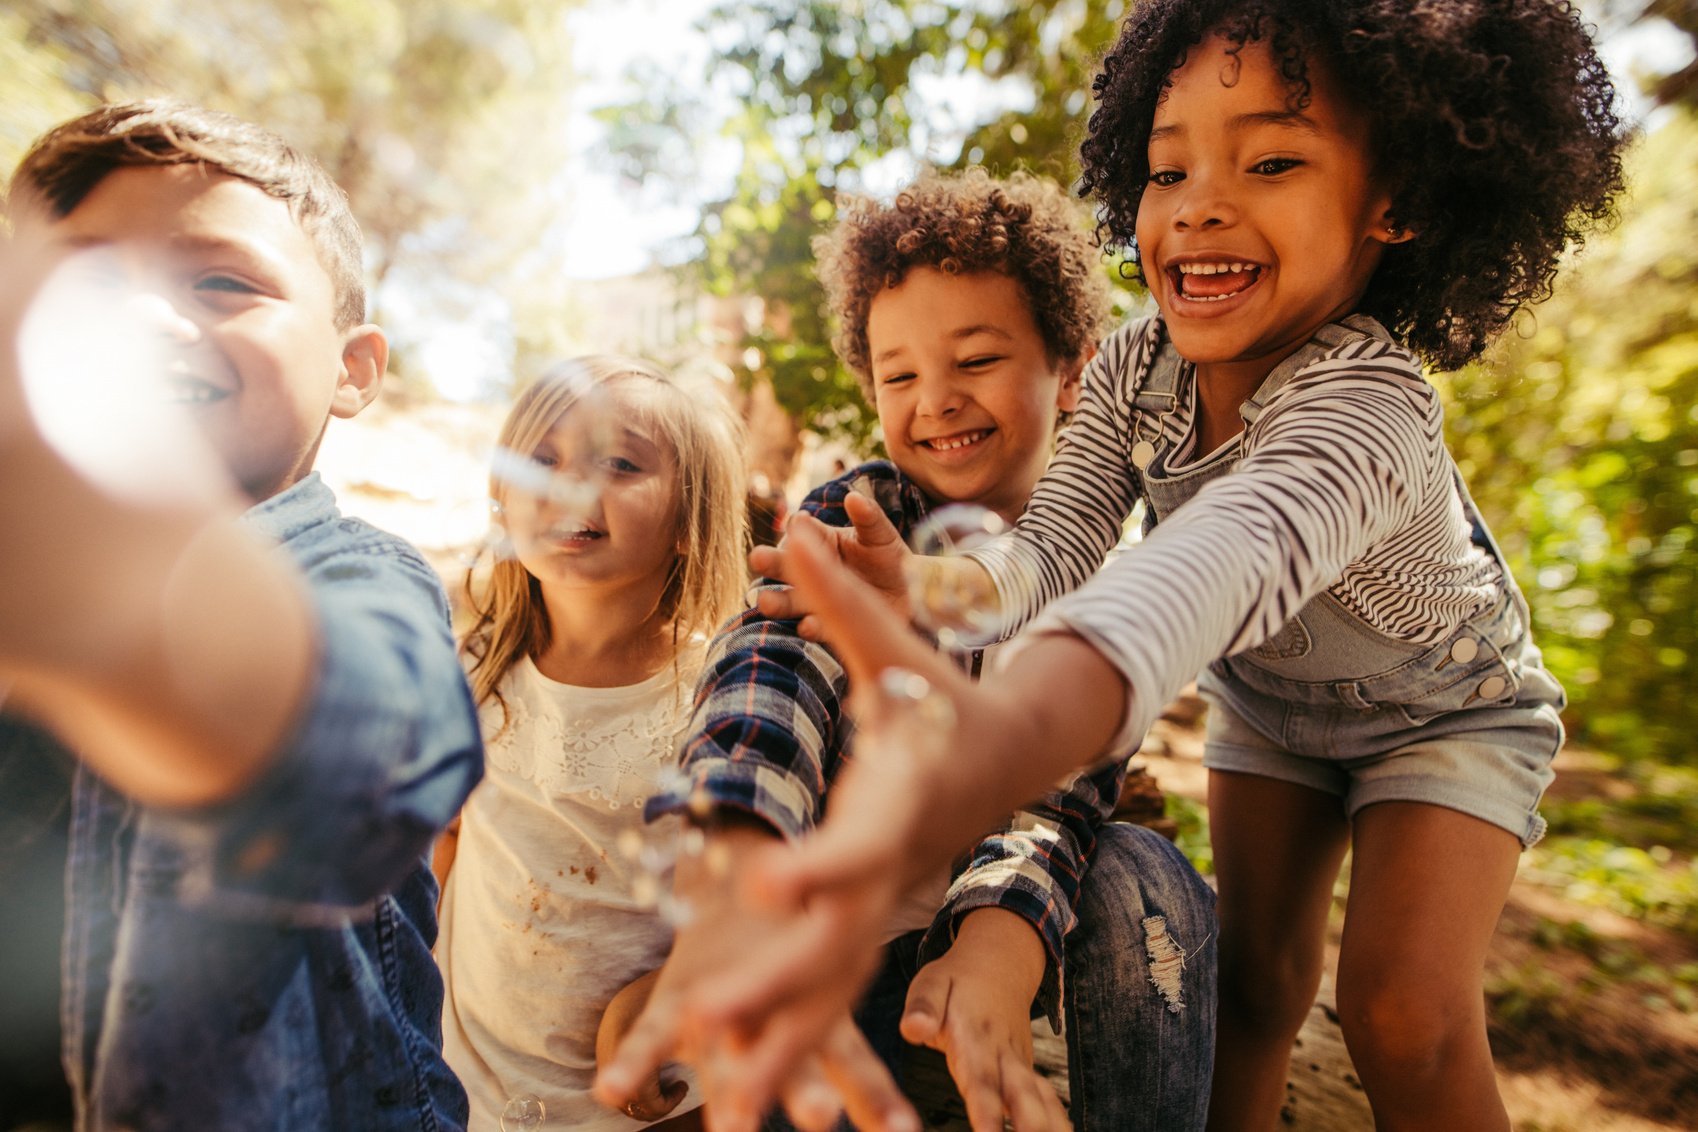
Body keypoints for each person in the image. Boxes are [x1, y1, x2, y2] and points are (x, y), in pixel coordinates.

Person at [611, 2, 1632, 1130]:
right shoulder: (1138, 371)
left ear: (1397, 201)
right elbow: (1050, 546)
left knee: (1400, 1010)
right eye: (1167, 167)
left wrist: (1015, 725)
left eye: (1274, 159)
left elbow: (1210, 564)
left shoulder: (1367, 410)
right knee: (1254, 987)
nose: (1199, 203)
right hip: (1276, 709)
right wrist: (932, 590)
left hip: (1447, 709)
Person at [599, 171, 1217, 1132]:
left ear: (1073, 370)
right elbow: (770, 676)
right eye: (898, 376)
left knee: (1152, 879)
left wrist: (997, 944)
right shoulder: (860, 516)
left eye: (975, 360)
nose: (935, 401)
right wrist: (736, 866)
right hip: (844, 932)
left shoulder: (1103, 572)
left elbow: (1060, 795)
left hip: (1010, 928)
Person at [0, 101, 484, 1130]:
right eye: (81, 283)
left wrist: (115, 609)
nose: (138, 321)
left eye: (220, 282)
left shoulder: (359, 572)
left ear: (353, 369)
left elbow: (385, 765)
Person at [431, 357, 749, 1130]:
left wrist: (673, 988)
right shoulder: (474, 672)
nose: (571, 483)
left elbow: (759, 890)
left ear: (689, 520)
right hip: (471, 1079)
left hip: (655, 1095)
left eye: (620, 462)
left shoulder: (724, 691)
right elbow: (445, 844)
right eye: (542, 458)